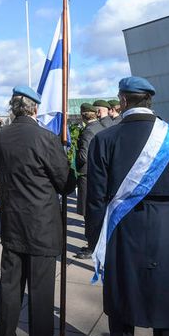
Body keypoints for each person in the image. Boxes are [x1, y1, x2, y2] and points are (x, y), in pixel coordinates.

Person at [87, 77, 169, 336]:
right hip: (166, 228)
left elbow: (95, 200)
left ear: (122, 101)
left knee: (122, 310)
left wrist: (95, 240)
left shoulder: (103, 139)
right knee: (167, 309)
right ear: (149, 100)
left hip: (122, 229)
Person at [0, 86, 73, 336]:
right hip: (41, 226)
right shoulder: (45, 138)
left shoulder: (1, 135)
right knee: (40, 291)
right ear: (35, 108)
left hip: (12, 223)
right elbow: (66, 183)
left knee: (10, 285)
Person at [73, 103, 103, 260]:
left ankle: (92, 246)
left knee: (88, 213)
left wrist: (74, 160)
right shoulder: (101, 126)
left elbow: (83, 157)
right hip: (99, 176)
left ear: (83, 115)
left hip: (87, 176)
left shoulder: (88, 131)